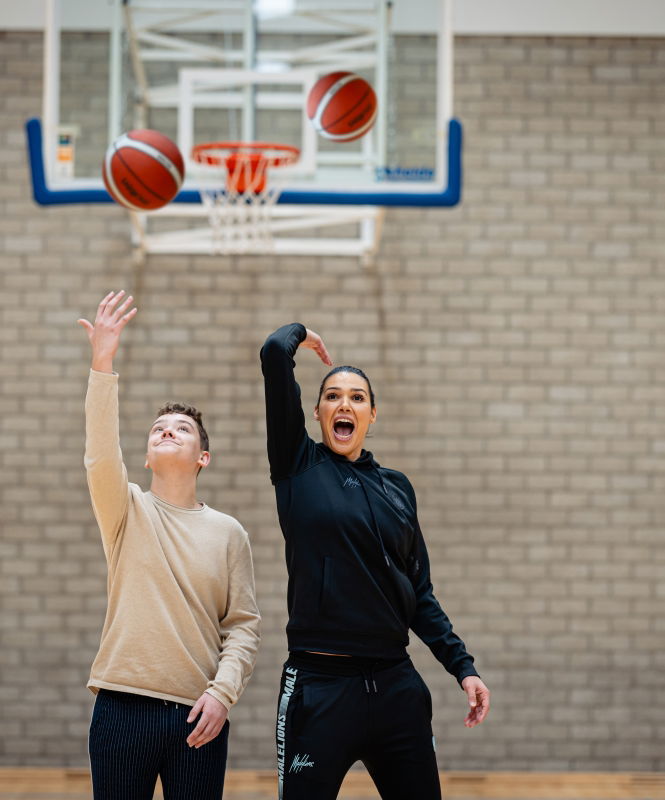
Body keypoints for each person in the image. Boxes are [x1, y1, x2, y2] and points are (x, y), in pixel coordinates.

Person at [261, 323, 490, 800]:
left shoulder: (397, 488)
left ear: (372, 414)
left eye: (357, 397)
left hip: (395, 686)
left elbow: (418, 591)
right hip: (319, 687)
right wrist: (302, 336)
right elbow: (272, 353)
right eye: (333, 396)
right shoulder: (297, 465)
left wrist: (462, 666)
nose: (345, 404)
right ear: (319, 411)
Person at [78, 290, 260, 800]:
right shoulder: (125, 509)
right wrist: (103, 361)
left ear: (204, 456)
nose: (167, 431)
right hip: (120, 707)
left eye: (182, 428)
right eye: (158, 428)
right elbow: (98, 454)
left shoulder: (229, 532)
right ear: (145, 456)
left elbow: (243, 628)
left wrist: (223, 695)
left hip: (198, 715)